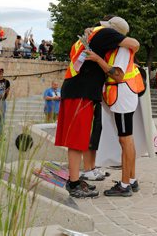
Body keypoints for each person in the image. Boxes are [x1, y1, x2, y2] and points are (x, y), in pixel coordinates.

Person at [55, 16, 139, 198]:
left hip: (78, 90)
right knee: (77, 140)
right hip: (81, 92)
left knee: (79, 138)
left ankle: (76, 179)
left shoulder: (90, 36)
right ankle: (74, 183)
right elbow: (134, 43)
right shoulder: (106, 34)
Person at [100, 45, 145, 196]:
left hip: (122, 97)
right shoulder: (122, 49)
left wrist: (97, 59)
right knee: (127, 140)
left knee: (125, 141)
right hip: (124, 96)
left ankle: (125, 184)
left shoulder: (122, 50)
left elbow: (117, 75)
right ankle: (131, 180)